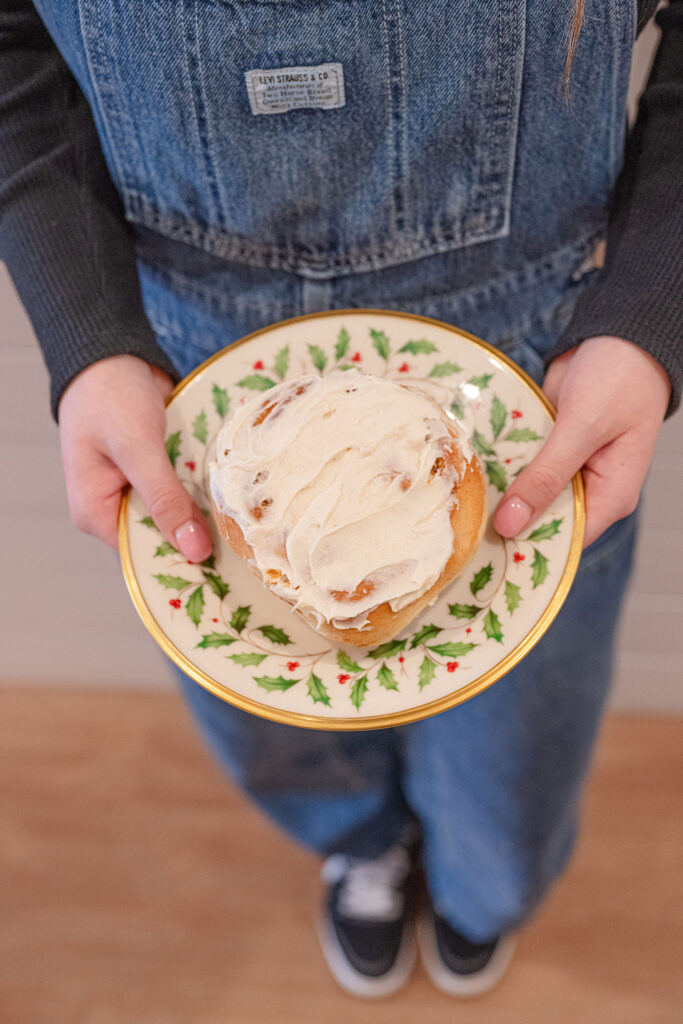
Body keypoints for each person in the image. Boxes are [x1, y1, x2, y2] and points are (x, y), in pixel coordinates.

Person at [1, 0, 681, 1000]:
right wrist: (87, 325)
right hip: (202, 405)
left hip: (534, 394)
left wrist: (649, 305)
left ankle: (475, 895)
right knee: (278, 730)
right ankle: (361, 839)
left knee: (516, 756)